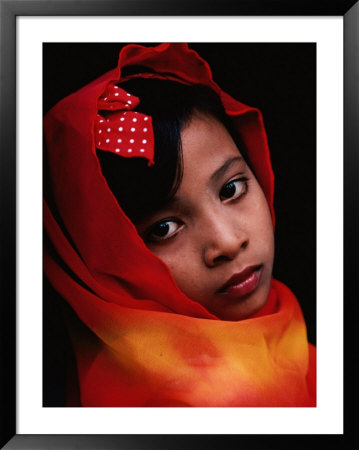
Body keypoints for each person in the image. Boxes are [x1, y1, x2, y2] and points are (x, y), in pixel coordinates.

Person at [43, 43, 316, 407]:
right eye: (164, 228)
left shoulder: (299, 349)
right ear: (100, 266)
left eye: (231, 189)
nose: (228, 243)